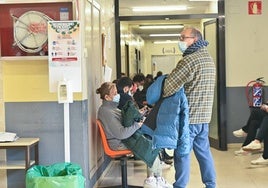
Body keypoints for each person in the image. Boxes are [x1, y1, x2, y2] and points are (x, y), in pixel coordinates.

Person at [163, 27, 216, 188]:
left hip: (189, 118)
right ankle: (211, 184)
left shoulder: (189, 60)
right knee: (204, 154)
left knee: (182, 154)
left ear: (194, 39)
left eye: (183, 37)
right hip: (204, 117)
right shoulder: (208, 58)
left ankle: (180, 185)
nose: (180, 41)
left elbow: (168, 87)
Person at [96, 82, 172, 188]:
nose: (118, 95)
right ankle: (152, 179)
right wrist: (137, 125)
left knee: (151, 139)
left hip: (125, 139)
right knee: (149, 145)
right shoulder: (106, 112)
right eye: (115, 93)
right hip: (119, 143)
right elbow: (121, 133)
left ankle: (157, 178)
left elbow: (124, 120)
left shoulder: (112, 108)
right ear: (107, 97)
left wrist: (138, 114)